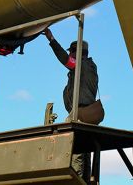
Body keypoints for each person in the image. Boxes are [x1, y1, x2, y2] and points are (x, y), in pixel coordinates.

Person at [43, 28, 99, 181]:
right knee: (85, 155)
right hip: (87, 116)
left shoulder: (81, 66)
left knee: (76, 155)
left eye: (72, 52)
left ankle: (76, 181)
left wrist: (51, 40)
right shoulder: (89, 67)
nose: (70, 55)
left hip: (79, 115)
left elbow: (64, 58)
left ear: (77, 53)